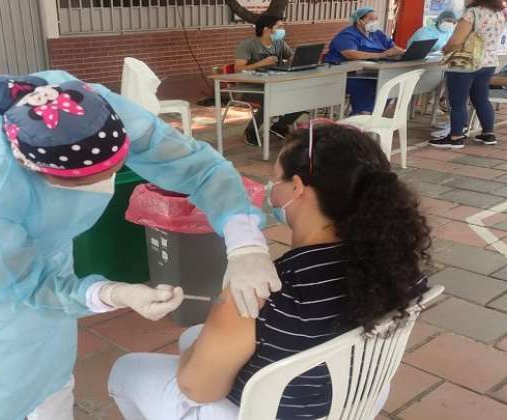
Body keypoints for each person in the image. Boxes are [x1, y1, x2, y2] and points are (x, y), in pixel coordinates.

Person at [0, 70, 282, 420]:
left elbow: (199, 167)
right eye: (83, 181)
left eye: (116, 165)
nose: (105, 182)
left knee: (52, 363)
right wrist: (112, 293)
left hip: (41, 248)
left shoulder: (88, 107)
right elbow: (28, 285)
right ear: (35, 169)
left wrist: (245, 244)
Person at [108, 122, 431, 420]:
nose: (270, 191)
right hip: (353, 400)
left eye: (275, 180)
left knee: (127, 370)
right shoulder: (398, 262)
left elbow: (197, 388)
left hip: (265, 412)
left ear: (298, 188)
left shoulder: (261, 291)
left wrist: (218, 318)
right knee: (193, 336)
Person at [430, 0, 505, 148]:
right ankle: (488, 134)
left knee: (458, 102)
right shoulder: (499, 14)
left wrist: (446, 48)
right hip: (488, 62)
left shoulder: (472, 13)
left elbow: (455, 42)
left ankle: (456, 137)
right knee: (481, 99)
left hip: (465, 63)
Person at [234, 13, 303, 146]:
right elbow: (238, 68)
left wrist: (299, 59)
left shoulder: (279, 43)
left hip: (275, 85)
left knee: (301, 97)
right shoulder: (248, 44)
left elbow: (292, 58)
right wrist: (261, 63)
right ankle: (251, 130)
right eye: (279, 27)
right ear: (267, 29)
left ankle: (279, 126)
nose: (282, 30)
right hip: (249, 87)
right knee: (270, 98)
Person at [324, 7, 406, 115]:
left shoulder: (377, 34)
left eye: (376, 19)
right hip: (346, 75)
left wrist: (402, 52)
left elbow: (393, 48)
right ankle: (362, 115)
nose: (375, 22)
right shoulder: (347, 35)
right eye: (371, 19)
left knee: (390, 84)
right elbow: (350, 54)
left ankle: (371, 115)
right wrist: (381, 54)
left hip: (371, 73)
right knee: (367, 86)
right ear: (359, 21)